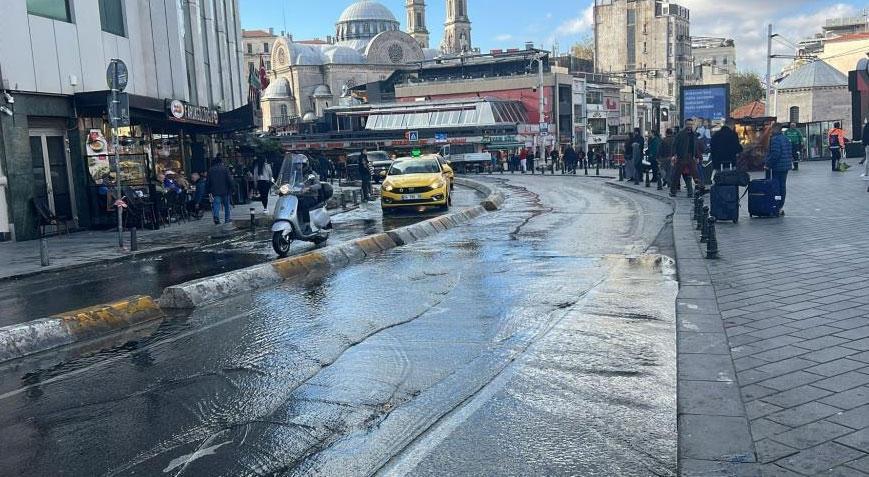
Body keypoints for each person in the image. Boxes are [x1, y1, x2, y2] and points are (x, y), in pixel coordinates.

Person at [671, 119, 704, 197]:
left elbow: (695, 147)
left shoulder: (693, 135)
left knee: (695, 174)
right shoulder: (680, 134)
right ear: (685, 125)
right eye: (688, 124)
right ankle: (673, 191)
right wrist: (674, 155)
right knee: (677, 175)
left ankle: (698, 190)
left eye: (691, 124)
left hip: (690, 157)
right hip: (681, 157)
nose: (690, 126)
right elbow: (674, 145)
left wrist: (696, 156)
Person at [766, 123, 792, 215]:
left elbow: (775, 154)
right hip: (785, 166)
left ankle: (775, 205)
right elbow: (789, 152)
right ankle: (780, 206)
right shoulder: (786, 139)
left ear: (775, 129)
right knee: (782, 186)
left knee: (775, 187)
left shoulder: (775, 139)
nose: (771, 131)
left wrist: (768, 164)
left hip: (776, 167)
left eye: (772, 129)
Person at [206, 155, 234, 224]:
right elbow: (229, 180)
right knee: (227, 205)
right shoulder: (225, 169)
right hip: (225, 190)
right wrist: (232, 188)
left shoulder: (211, 170)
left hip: (215, 191)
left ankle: (216, 217)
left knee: (216, 204)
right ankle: (227, 219)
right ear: (221, 162)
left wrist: (208, 190)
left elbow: (208, 181)